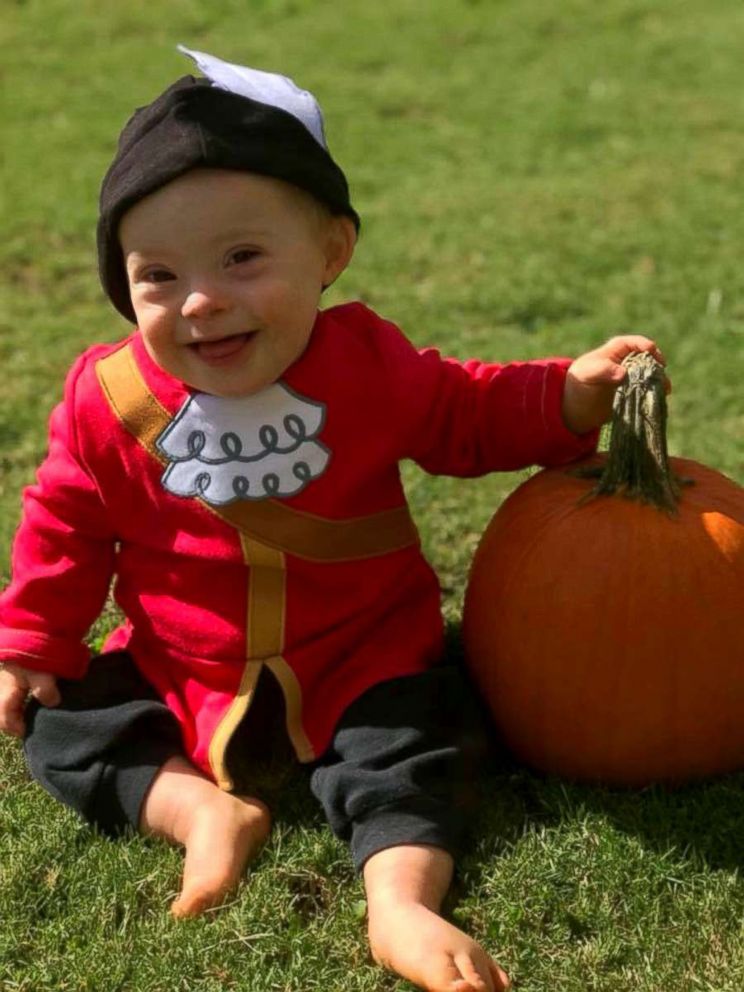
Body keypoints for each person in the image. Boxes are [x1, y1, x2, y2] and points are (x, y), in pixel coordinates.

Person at [0, 48, 666, 992]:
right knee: (62, 725)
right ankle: (197, 813)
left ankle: (400, 900)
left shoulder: (367, 362)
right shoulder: (108, 399)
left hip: (364, 651)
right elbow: (64, 523)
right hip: (181, 663)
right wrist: (35, 638)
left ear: (331, 253)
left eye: (242, 258)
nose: (202, 300)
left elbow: (464, 412)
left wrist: (566, 394)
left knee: (420, 744)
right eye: (158, 276)